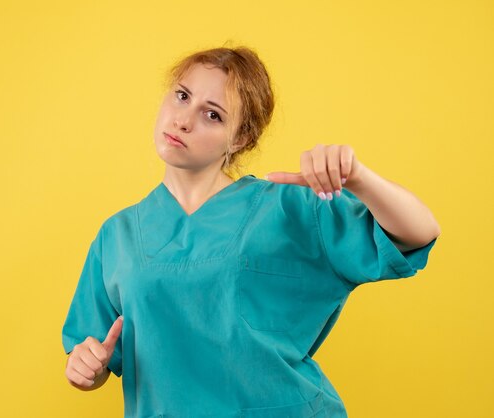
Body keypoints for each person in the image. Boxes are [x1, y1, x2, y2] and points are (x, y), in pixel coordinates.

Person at [62, 46, 441, 417]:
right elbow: (94, 352)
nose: (183, 120)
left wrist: (358, 178)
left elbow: (417, 233)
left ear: (240, 139)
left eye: (212, 115)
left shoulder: (289, 209)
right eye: (181, 96)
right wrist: (86, 370)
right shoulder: (118, 235)